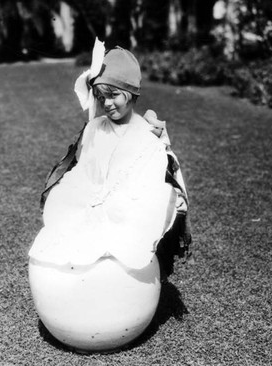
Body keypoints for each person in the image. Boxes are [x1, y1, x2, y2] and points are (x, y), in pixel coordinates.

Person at [29, 44, 191, 278]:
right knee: (65, 240)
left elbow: (157, 176)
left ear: (132, 94)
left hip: (128, 209)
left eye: (114, 95)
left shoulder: (146, 134)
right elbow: (84, 169)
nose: (107, 103)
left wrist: (173, 198)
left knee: (125, 250)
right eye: (100, 96)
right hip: (95, 203)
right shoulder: (95, 128)